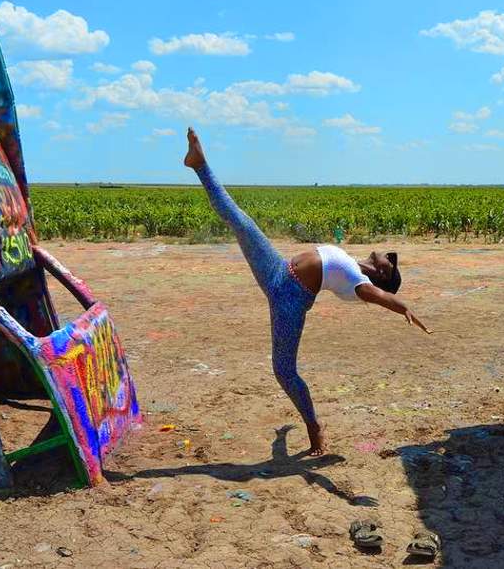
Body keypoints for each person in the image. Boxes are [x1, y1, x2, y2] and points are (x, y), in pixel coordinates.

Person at [184, 128, 430, 454]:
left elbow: (380, 297)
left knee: (283, 370)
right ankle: (199, 164)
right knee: (241, 222)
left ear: (384, 273)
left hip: (289, 299)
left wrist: (403, 307)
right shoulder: (352, 261)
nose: (389, 255)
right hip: (278, 269)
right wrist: (280, 439)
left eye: (391, 261)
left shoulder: (360, 283)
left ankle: (314, 427)